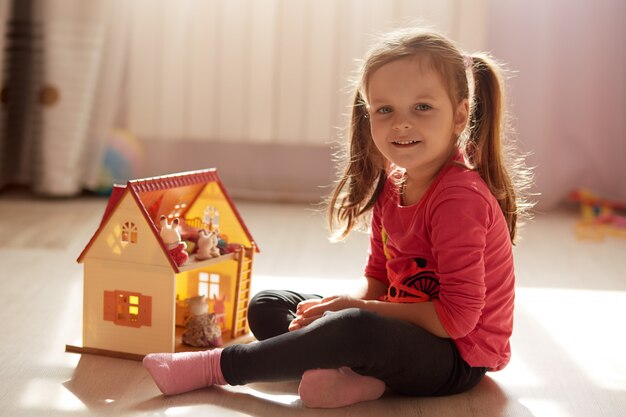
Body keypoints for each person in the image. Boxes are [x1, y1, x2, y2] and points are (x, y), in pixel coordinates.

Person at [143, 27, 533, 408]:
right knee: (270, 303)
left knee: (352, 328)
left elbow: (456, 321)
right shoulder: (393, 185)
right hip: (399, 327)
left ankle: (218, 367)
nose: (401, 123)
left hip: (456, 356)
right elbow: (379, 278)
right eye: (385, 110)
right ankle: (358, 377)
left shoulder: (458, 198)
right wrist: (340, 304)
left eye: (423, 107)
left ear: (461, 116)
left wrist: (353, 310)